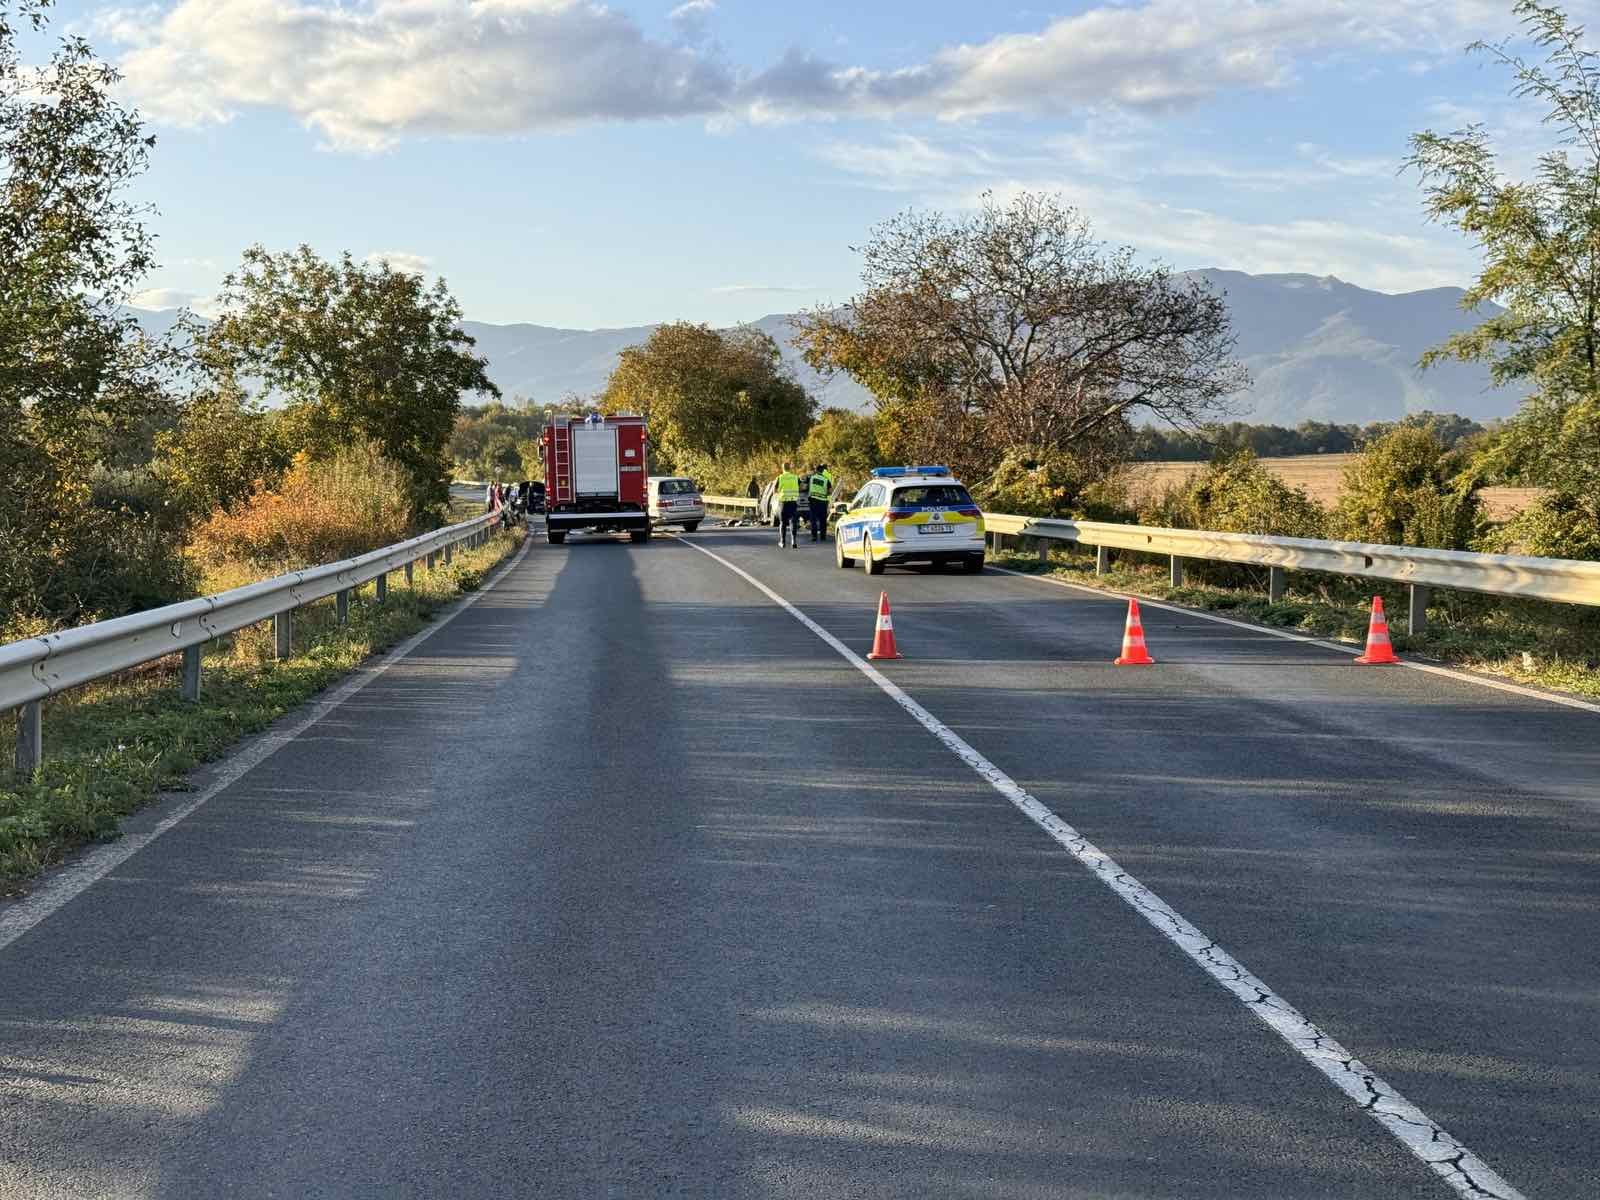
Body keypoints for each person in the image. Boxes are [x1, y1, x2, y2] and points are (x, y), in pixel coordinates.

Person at [773, 462, 801, 549]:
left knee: (783, 523)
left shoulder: (780, 477)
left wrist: (777, 495)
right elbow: (802, 486)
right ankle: (794, 541)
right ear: (790, 468)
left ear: (783, 468)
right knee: (793, 522)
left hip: (783, 503)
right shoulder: (795, 477)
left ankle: (783, 542)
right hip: (793, 502)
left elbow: (774, 489)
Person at [807, 463, 832, 542]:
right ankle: (823, 536)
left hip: (813, 501)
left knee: (813, 519)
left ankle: (814, 536)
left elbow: (806, 486)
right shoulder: (826, 480)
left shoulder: (811, 478)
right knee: (822, 520)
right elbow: (830, 491)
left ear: (816, 470)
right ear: (822, 471)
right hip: (823, 502)